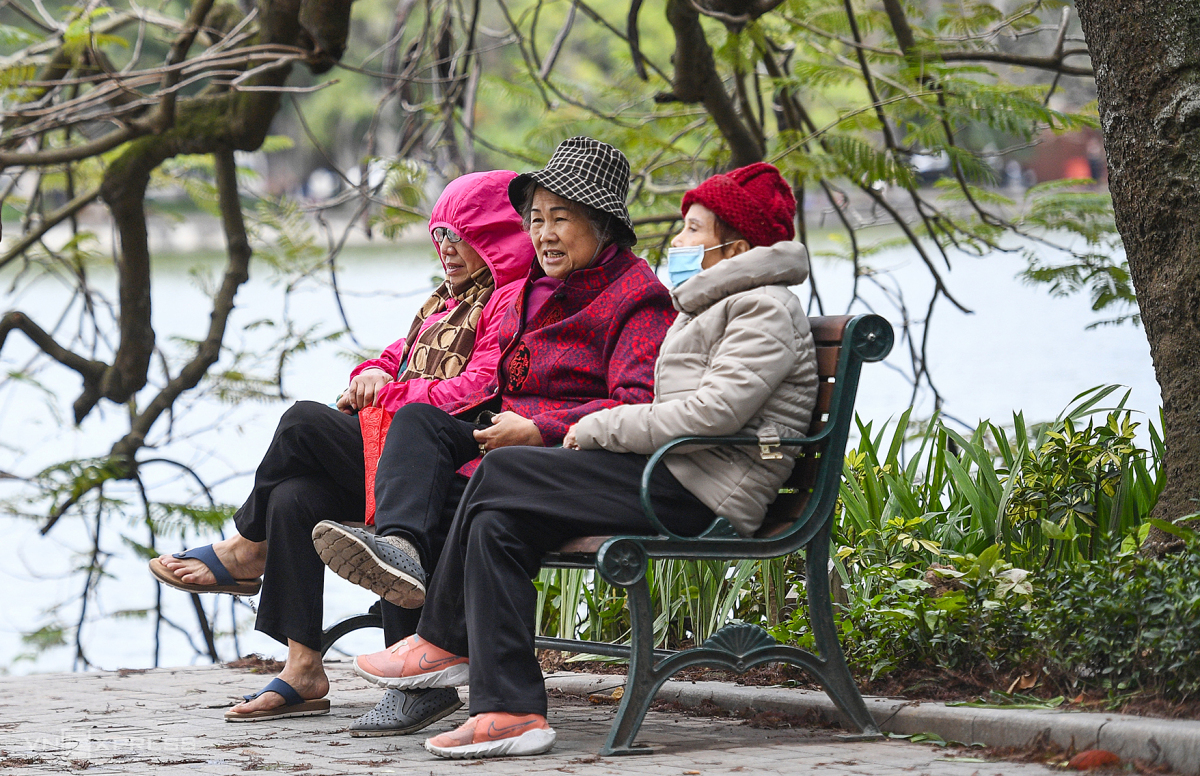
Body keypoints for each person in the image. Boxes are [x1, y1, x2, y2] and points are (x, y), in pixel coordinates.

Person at [348, 162, 821, 759]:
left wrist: (590, 428)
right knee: (499, 523)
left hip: (702, 488)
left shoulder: (762, 307)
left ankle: (441, 640)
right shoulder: (714, 304)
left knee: (500, 472)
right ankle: (510, 711)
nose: (677, 242)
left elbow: (714, 414)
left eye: (693, 230)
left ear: (740, 246)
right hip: (671, 469)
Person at [307, 136, 676, 731]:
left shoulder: (637, 296)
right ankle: (498, 699)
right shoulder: (524, 291)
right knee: (421, 430)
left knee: (479, 501)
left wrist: (541, 427)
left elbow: (639, 404)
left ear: (604, 223)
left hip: (575, 457)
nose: (545, 234)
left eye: (562, 219)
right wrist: (386, 381)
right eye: (536, 220)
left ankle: (439, 655)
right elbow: (481, 380)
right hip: (506, 444)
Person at [147, 170, 534, 724]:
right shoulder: (444, 303)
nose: (447, 249)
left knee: (303, 424)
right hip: (393, 450)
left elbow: (480, 387)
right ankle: (303, 669)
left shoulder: (508, 300)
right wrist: (369, 378)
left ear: (494, 236)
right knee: (297, 496)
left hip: (445, 461)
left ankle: (248, 549)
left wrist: (393, 392)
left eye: (461, 235)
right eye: (440, 236)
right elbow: (389, 357)